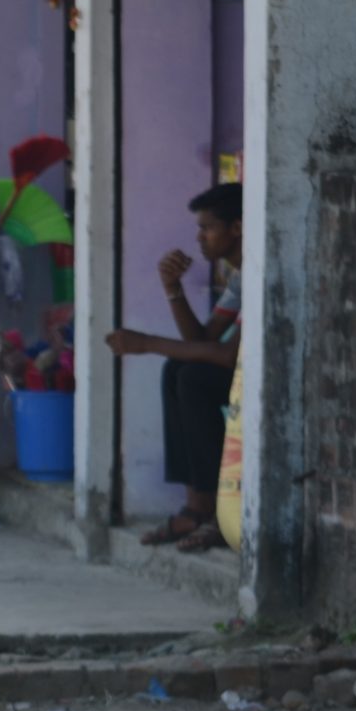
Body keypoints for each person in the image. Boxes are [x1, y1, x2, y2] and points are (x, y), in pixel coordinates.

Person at [106, 182, 242, 552]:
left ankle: (219, 512)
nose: (199, 238)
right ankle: (196, 506)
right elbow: (201, 339)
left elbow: (228, 355)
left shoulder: (260, 271)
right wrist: (172, 288)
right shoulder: (237, 277)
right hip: (240, 371)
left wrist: (146, 343)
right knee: (177, 370)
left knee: (194, 378)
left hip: (266, 379)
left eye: (207, 227)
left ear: (237, 228)